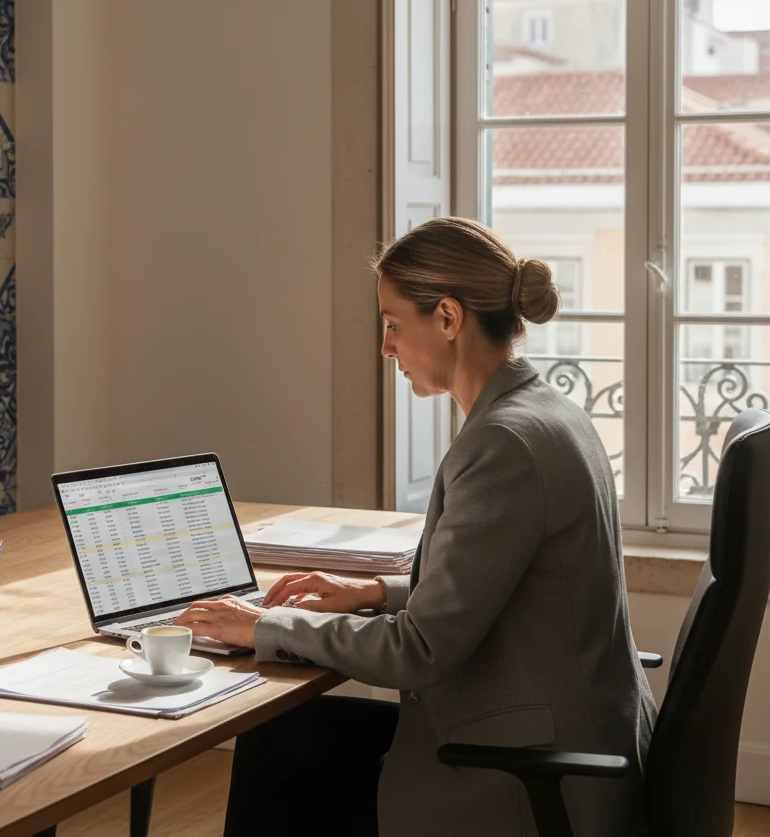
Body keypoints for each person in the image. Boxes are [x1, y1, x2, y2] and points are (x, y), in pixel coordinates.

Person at [174, 217, 656, 837]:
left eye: (393, 324)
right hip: (575, 733)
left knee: (280, 755)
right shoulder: (548, 411)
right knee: (285, 738)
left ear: (449, 318)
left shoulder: (503, 444)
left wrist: (264, 625)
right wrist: (375, 592)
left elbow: (421, 650)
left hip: (526, 769)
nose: (386, 348)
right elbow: (503, 589)